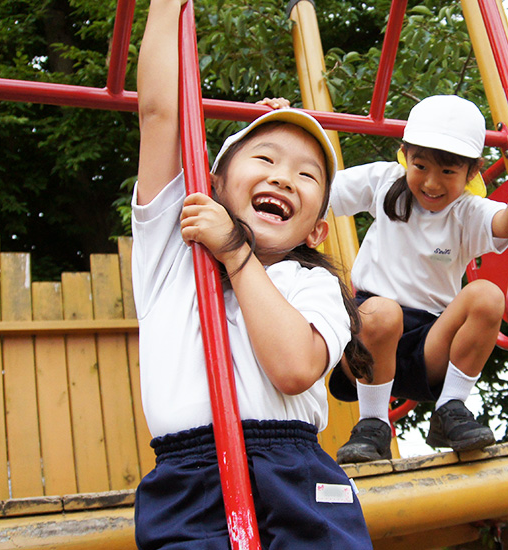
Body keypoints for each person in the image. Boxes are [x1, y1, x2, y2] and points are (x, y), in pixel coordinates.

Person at [131, 1, 373, 547]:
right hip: (188, 477)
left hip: (292, 469)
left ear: (316, 231)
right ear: (214, 184)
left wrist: (236, 253)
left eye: (306, 175)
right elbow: (159, 116)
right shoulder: (173, 251)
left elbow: (293, 369)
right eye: (264, 159)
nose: (283, 178)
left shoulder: (313, 286)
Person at [315, 94, 508, 463]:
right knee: (383, 313)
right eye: (421, 166)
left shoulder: (466, 211)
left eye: (447, 172)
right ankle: (373, 424)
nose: (431, 182)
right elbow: (321, 192)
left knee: (487, 295)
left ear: (471, 173)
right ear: (404, 155)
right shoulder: (384, 180)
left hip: (431, 344)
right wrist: (285, 129)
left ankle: (451, 408)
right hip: (368, 338)